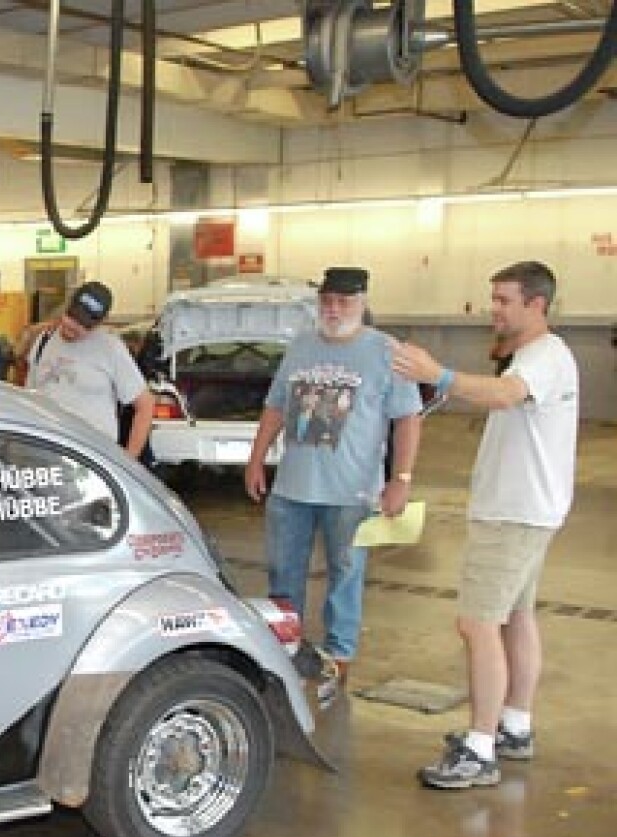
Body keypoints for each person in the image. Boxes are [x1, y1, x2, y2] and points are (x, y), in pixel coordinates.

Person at [390, 261, 579, 789]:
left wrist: (437, 375)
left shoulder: (545, 357)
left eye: (503, 300)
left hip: (513, 516)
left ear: (536, 305)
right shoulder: (533, 356)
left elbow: (503, 395)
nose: (493, 309)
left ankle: (479, 747)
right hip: (526, 511)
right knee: (516, 617)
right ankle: (515, 724)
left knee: (477, 624)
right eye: (492, 299)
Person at [245, 267, 423, 684]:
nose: (333, 309)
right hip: (292, 486)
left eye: (343, 302)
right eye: (327, 301)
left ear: (362, 303)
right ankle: (283, 648)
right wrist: (257, 459)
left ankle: (338, 654)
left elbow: (409, 418)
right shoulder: (301, 346)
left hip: (352, 491)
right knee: (282, 570)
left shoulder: (386, 351)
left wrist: (402, 478)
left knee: (346, 572)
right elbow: (275, 406)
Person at [24, 281, 155, 458]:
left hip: (93, 460)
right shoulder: (44, 340)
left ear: (100, 323)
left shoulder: (110, 348)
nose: (75, 326)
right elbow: (28, 396)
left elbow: (145, 405)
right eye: (72, 317)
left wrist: (128, 461)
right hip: (46, 456)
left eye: (85, 324)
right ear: (66, 308)